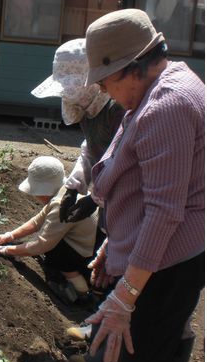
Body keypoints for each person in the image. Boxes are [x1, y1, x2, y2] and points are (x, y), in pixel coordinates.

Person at [79, 9, 204, 362]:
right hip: (164, 258)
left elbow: (164, 211)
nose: (106, 92)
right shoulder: (168, 85)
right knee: (163, 342)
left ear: (133, 66)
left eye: (106, 83)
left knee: (123, 359)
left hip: (168, 264)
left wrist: (125, 296)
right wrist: (115, 241)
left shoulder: (168, 106)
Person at [31, 37, 125, 225]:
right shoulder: (87, 108)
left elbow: (122, 159)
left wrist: (95, 199)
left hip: (127, 198)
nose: (68, 96)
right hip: (109, 198)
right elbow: (90, 148)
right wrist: (73, 187)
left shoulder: (116, 109)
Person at [0, 156, 98, 302]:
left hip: (88, 251)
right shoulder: (67, 190)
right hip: (89, 239)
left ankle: (82, 293)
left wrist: (6, 250)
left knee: (56, 254)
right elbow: (38, 220)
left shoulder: (61, 205)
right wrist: (9, 236)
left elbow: (42, 244)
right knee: (52, 243)